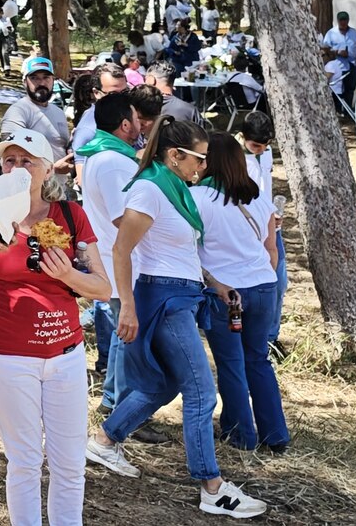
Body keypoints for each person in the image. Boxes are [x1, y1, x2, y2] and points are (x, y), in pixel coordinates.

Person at [85, 117, 270, 518]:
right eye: (198, 159)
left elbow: (181, 250)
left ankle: (104, 440)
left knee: (163, 385)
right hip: (164, 299)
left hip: (181, 294)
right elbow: (120, 251)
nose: (202, 167)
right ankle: (212, 487)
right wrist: (128, 307)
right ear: (174, 156)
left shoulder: (173, 189)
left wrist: (214, 283)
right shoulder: (151, 189)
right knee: (202, 391)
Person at [0, 129, 109, 526]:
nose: (17, 168)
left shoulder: (70, 217)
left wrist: (70, 276)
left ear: (46, 169)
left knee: (70, 464)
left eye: (27, 161)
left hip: (66, 356)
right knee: (24, 462)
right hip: (8, 356)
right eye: (9, 160)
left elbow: (104, 289)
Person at [195, 135, 289, 453]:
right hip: (263, 285)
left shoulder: (195, 198)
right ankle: (275, 434)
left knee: (231, 364)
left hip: (224, 292)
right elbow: (271, 249)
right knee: (258, 360)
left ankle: (241, 434)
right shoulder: (258, 197)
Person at [76, 92, 145, 418]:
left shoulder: (102, 155)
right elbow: (123, 218)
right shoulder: (113, 161)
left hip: (113, 253)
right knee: (126, 333)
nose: (141, 124)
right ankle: (118, 402)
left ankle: (114, 400)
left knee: (123, 331)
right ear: (124, 124)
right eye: (136, 118)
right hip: (119, 256)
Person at [239, 113, 287, 348]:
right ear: (242, 137)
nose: (260, 150)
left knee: (278, 282)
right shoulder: (234, 157)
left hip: (269, 224)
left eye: (265, 146)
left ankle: (270, 337)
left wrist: (272, 214)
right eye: (255, 145)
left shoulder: (265, 153)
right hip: (247, 227)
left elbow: (265, 187)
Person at [2, 57, 72, 171]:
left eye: (46, 77)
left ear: (53, 80)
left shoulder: (59, 112)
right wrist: (54, 169)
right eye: (34, 78)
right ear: (25, 82)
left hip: (59, 186)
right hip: (31, 187)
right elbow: (11, 158)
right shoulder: (17, 112)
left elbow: (61, 146)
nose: (42, 83)